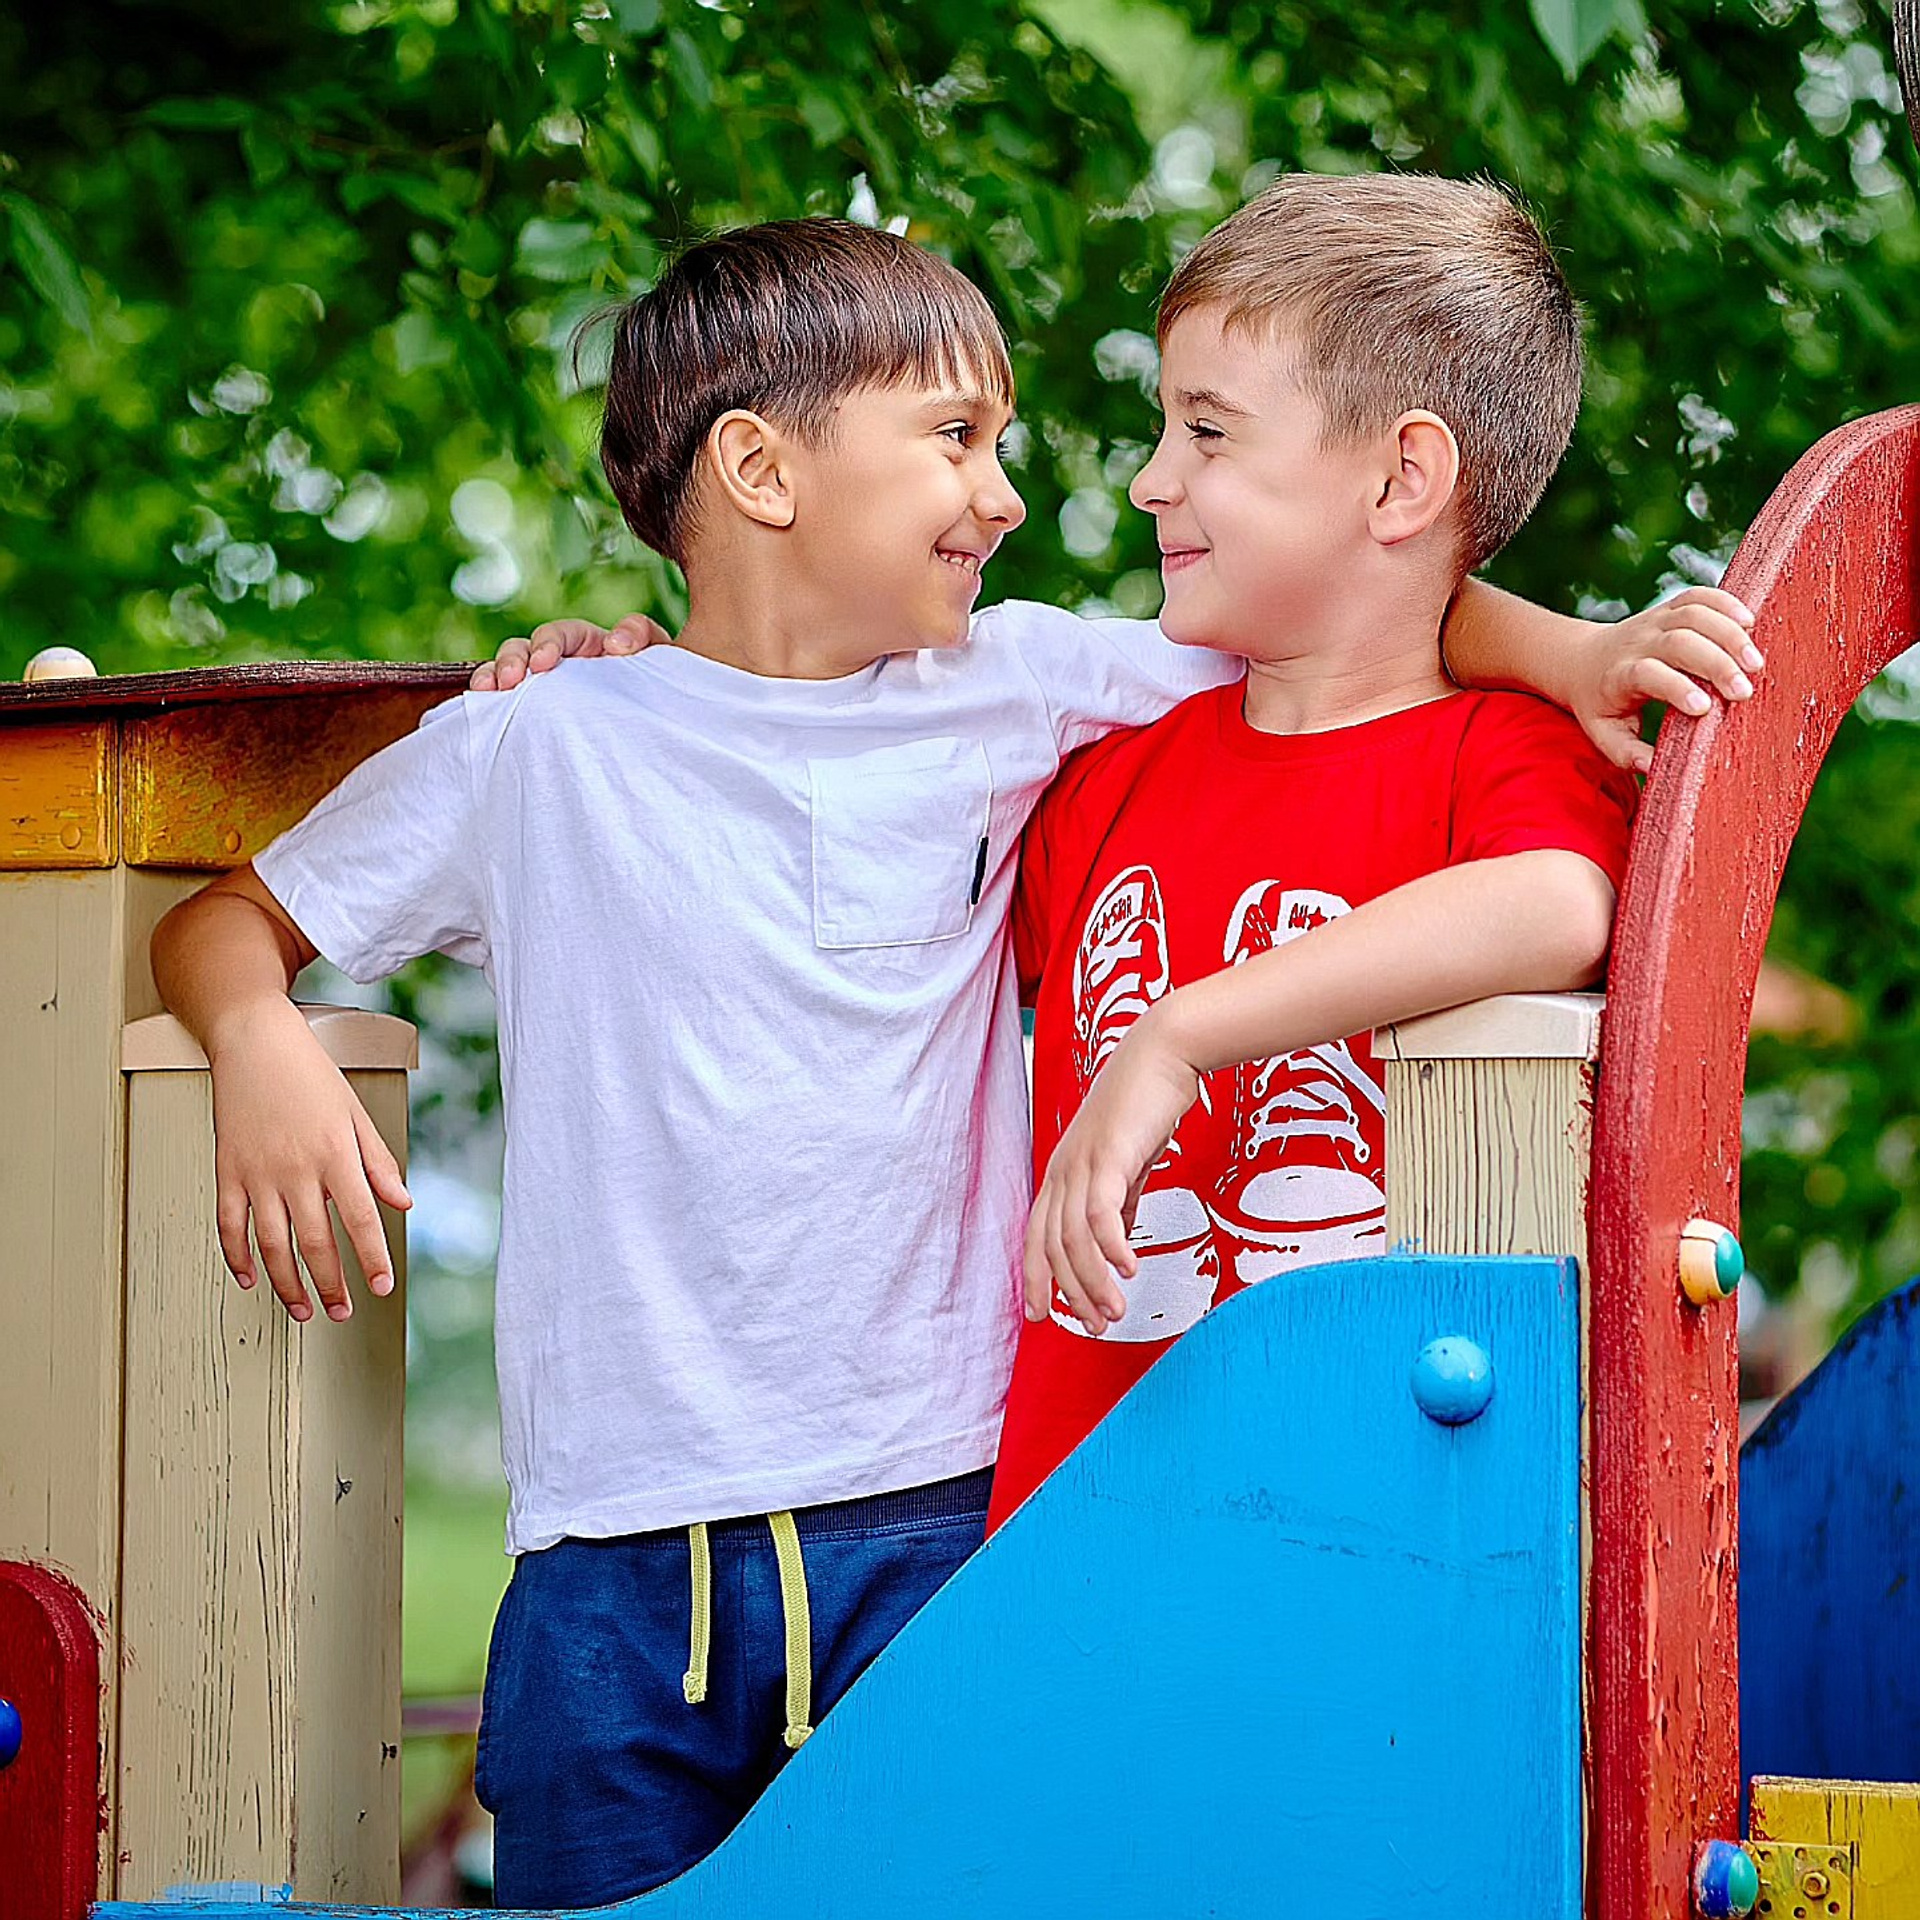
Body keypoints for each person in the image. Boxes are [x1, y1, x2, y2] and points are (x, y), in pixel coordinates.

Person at [154, 213, 1750, 1907]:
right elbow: (225, 923)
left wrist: (1576, 652)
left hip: (943, 1523)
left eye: (1177, 434)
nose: (1021, 493)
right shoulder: (548, 743)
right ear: (762, 473)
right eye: (956, 441)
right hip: (610, 1555)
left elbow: (1383, 608)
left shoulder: (1022, 686)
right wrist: (256, 1033)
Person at [987, 173, 1656, 1525]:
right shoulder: (1100, 781)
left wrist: (1179, 1033)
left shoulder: (1502, 760)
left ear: (1401, 478)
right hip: (1064, 1552)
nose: (1151, 477)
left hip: (1368, 1551)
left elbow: (1561, 902)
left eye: (1208, 431)